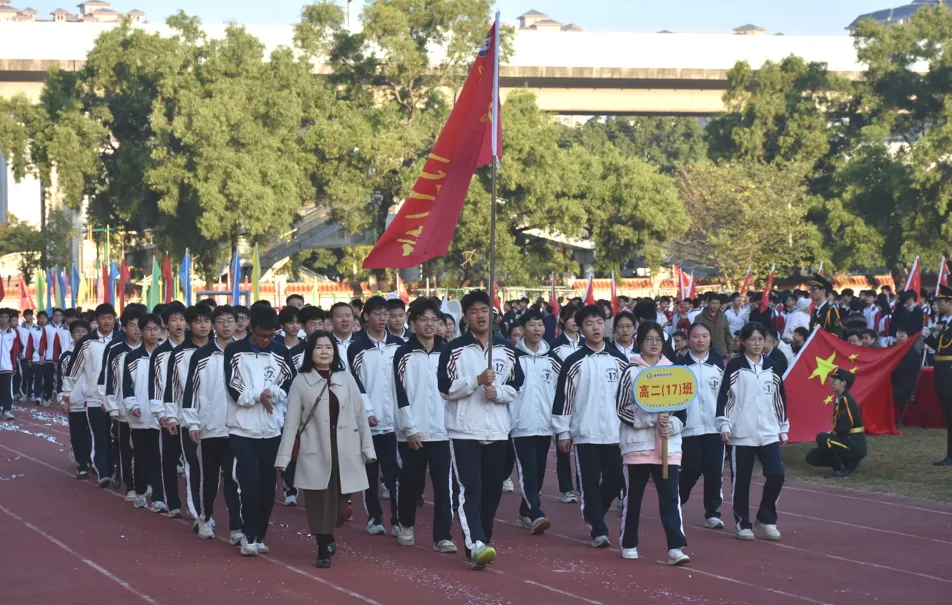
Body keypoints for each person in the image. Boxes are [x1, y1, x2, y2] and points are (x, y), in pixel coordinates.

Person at [438, 290, 524, 570]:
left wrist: (498, 393)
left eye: (485, 310)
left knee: (492, 489)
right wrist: (474, 381)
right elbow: (445, 388)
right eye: (474, 311)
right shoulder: (454, 350)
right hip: (464, 431)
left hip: (498, 430)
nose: (480, 315)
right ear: (465, 317)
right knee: (470, 488)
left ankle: (482, 537)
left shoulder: (507, 349)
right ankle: (475, 543)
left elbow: (517, 386)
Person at [276, 331, 375, 568]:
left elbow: (360, 415)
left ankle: (329, 531)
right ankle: (323, 546)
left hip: (346, 446)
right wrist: (284, 456)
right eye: (319, 347)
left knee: (341, 503)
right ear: (310, 351)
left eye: (328, 347)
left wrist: (367, 448)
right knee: (318, 500)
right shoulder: (301, 381)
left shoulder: (346, 378)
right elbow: (291, 422)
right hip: (315, 446)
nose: (324, 352)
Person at [553, 304, 627, 549]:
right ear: (581, 328)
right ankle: (598, 528)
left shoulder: (619, 359)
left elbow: (629, 396)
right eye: (589, 323)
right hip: (585, 432)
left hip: (616, 432)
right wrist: (563, 432)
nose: (596, 328)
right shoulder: (574, 361)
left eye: (599, 322)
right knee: (590, 481)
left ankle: (595, 511)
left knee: (617, 479)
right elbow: (564, 398)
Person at [616, 321, 690, 565]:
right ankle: (629, 542)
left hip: (668, 447)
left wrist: (673, 425)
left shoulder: (675, 372)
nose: (654, 343)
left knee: (670, 497)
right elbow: (622, 409)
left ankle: (676, 547)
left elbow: (682, 411)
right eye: (649, 339)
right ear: (641, 342)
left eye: (658, 339)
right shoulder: (632, 371)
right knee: (633, 497)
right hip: (638, 445)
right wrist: (650, 418)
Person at [224, 305, 296, 556]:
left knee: (268, 488)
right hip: (242, 429)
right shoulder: (234, 351)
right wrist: (258, 395)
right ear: (251, 328)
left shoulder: (280, 352)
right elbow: (234, 390)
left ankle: (259, 534)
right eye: (262, 335)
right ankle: (247, 533)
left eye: (271, 335)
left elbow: (288, 383)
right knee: (249, 485)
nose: (266, 340)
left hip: (271, 429)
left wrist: (273, 393)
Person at [393, 299, 457, 552]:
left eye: (434, 320)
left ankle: (443, 536)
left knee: (444, 486)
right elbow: (399, 393)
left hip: (443, 431)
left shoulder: (449, 352)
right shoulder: (404, 353)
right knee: (410, 481)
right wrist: (409, 428)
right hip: (413, 433)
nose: (429, 325)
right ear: (413, 324)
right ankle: (406, 524)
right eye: (423, 319)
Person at [716, 322, 788, 542]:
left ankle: (766, 518)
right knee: (742, 481)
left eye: (761, 339)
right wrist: (724, 424)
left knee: (776, 474)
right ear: (743, 342)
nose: (757, 344)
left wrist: (782, 426)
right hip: (742, 433)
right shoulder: (735, 366)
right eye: (752, 340)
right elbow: (726, 397)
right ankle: (743, 523)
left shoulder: (773, 366)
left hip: (768, 431)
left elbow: (779, 398)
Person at [181, 305, 244, 544]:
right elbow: (191, 392)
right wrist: (193, 423)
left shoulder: (243, 354)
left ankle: (236, 527)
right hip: (209, 427)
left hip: (237, 428)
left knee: (234, 479)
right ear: (214, 325)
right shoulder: (201, 355)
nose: (226, 325)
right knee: (209, 479)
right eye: (221, 321)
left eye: (231, 321)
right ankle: (205, 518)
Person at [347, 296, 403, 536]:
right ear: (366, 317)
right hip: (369, 422)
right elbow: (355, 383)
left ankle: (399, 518)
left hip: (395, 422)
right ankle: (374, 517)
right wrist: (367, 411)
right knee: (370, 472)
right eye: (377, 313)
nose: (382, 318)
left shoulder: (399, 345)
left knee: (395, 474)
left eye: (386, 314)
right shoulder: (357, 348)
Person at [509, 308, 558, 535]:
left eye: (539, 324)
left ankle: (523, 513)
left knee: (538, 472)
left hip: (545, 425)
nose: (536, 329)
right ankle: (536, 513)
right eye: (531, 325)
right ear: (522, 329)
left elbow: (560, 392)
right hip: (521, 425)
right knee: (527, 470)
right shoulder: (513, 358)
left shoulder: (553, 360)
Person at [676, 322, 726, 530]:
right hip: (690, 429)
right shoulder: (679, 367)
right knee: (691, 469)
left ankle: (712, 512)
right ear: (689, 340)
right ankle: (677, 500)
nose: (701, 340)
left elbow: (726, 397)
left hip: (714, 428)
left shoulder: (719, 365)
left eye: (705, 336)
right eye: (696, 336)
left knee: (714, 472)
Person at [63, 303, 119, 486]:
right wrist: (66, 392)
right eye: (103, 318)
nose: (106, 321)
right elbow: (74, 369)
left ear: (114, 319)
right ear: (96, 320)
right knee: (100, 436)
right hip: (94, 398)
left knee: (117, 438)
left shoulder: (120, 340)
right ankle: (103, 472)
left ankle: (114, 470)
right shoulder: (86, 342)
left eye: (110, 318)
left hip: (118, 398)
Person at [147, 301, 194, 519]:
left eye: (182, 319)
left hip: (193, 416)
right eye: (174, 320)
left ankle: (196, 507)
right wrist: (161, 413)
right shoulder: (161, 353)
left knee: (194, 464)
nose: (178, 324)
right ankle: (172, 502)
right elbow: (155, 385)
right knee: (169, 459)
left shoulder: (196, 349)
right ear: (166, 324)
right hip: (169, 414)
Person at [122, 313, 166, 511]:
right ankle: (140, 491)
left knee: (159, 457)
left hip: (162, 416)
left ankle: (158, 496)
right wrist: (133, 405)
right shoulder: (132, 357)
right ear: (141, 331)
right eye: (148, 329)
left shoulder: (166, 355)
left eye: (156, 329)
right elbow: (126, 385)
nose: (152, 332)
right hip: (139, 415)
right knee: (140, 456)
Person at [102, 307, 142, 501]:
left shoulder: (152, 349)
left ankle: (145, 483)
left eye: (139, 325)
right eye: (132, 325)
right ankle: (130, 487)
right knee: (125, 447)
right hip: (121, 407)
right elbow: (107, 378)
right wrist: (110, 404)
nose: (136, 330)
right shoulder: (115, 350)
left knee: (144, 449)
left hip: (145, 409)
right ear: (124, 327)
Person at [806, 368, 867, 478]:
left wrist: (829, 439)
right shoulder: (839, 399)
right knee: (812, 456)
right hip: (846, 440)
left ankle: (841, 468)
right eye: (831, 379)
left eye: (835, 380)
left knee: (822, 438)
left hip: (853, 444)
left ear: (843, 383)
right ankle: (847, 463)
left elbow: (844, 428)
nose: (831, 382)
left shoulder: (845, 400)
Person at [550, 303, 583, 504]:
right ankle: (566, 488)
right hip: (562, 402)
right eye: (571, 317)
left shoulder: (587, 345)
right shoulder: (555, 347)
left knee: (582, 446)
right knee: (563, 446)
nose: (574, 321)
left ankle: (582, 485)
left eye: (578, 317)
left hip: (583, 403)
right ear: (562, 320)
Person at [59, 319, 91, 476]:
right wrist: (62, 400)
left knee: (94, 435)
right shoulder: (66, 356)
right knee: (78, 436)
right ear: (72, 335)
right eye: (77, 332)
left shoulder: (94, 352)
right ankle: (83, 465)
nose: (81, 334)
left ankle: (93, 462)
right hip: (75, 402)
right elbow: (62, 380)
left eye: (84, 331)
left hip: (93, 401)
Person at [925, 284, 952, 466]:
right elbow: (941, 348)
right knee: (948, 416)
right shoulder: (946, 322)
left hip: (949, 371)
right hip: (942, 371)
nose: (938, 304)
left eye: (941, 301)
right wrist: (928, 338)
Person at [0, 308, 23, 420]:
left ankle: (7, 410)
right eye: (1, 317)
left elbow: (14, 351)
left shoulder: (13, 333)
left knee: (7, 389)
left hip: (7, 366)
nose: (3, 319)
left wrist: (14, 366)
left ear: (9, 319)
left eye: (6, 317)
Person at [329, 302, 356, 370]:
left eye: (348, 315)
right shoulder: (326, 343)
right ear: (331, 320)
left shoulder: (362, 342)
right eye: (339, 316)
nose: (345, 319)